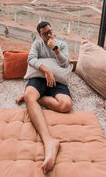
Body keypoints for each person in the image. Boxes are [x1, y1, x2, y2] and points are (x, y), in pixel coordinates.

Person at [16, 21, 72, 174]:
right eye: (45, 34)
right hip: (40, 78)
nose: (48, 35)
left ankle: (32, 97)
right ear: (40, 35)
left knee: (66, 105)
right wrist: (46, 70)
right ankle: (49, 142)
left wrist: (55, 48)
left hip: (57, 80)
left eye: (50, 32)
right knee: (29, 96)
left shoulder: (62, 44)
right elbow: (31, 59)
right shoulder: (37, 44)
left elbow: (65, 63)